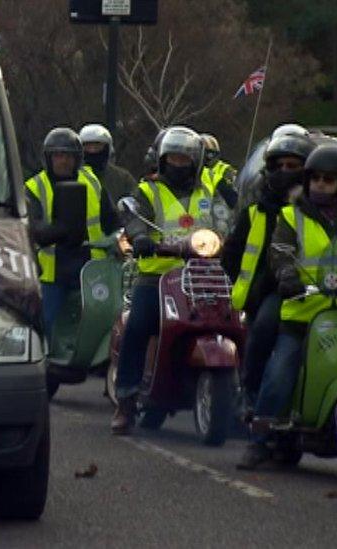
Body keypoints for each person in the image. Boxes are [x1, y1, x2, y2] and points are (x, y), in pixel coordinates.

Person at [237, 145, 337, 469]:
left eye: (329, 180)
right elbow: (280, 251)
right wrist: (286, 275)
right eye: (316, 179)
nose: (320, 185)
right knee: (281, 368)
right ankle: (260, 437)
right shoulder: (291, 215)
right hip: (303, 312)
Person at [111, 126, 229, 434]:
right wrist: (139, 237)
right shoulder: (148, 190)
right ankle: (125, 399)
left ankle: (238, 398)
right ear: (162, 160)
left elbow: (226, 219)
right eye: (173, 158)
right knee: (137, 326)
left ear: (196, 161)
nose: (179, 164)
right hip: (158, 275)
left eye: (185, 158)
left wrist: (230, 237)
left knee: (234, 321)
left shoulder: (209, 190)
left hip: (205, 275)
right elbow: (135, 216)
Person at [222, 133, 316, 411]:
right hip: (269, 295)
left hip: (314, 293)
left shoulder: (317, 212)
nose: (286, 172)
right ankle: (250, 394)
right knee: (263, 327)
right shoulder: (254, 212)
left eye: (294, 166)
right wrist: (255, 287)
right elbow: (231, 256)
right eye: (280, 166)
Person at [25, 127, 110, 336]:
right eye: (58, 155)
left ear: (78, 158)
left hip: (92, 268)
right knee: (47, 325)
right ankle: (45, 363)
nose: (63, 161)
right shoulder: (34, 187)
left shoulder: (92, 181)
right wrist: (58, 230)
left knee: (103, 322)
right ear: (48, 158)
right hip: (52, 272)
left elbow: (113, 218)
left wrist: (125, 234)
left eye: (68, 156)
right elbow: (32, 227)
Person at [79, 124, 137, 231]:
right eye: (87, 146)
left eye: (97, 146)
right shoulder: (74, 176)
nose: (92, 151)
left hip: (117, 239)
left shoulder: (122, 177)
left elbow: (135, 207)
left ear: (107, 148)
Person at [199, 133, 239, 209]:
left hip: (219, 209)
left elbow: (233, 193)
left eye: (209, 153)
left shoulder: (226, 169)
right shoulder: (192, 169)